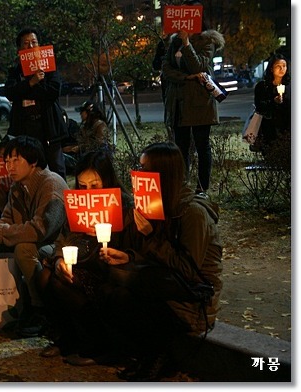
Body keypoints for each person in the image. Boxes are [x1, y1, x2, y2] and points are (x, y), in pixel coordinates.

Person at [100, 141, 222, 381]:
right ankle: (146, 356)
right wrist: (130, 256)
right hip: (164, 285)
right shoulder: (156, 202)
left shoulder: (193, 213)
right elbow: (153, 258)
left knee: (127, 285)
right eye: (139, 167)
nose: (137, 174)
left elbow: (189, 269)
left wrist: (151, 235)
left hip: (194, 299)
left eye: (144, 169)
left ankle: (158, 359)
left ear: (162, 174)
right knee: (111, 289)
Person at [37, 148, 135, 365]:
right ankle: (68, 338)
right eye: (82, 186)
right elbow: (62, 240)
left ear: (107, 180)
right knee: (45, 276)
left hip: (106, 269)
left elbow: (129, 250)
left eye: (95, 185)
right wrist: (60, 259)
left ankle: (94, 345)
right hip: (81, 262)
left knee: (60, 283)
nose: (88, 191)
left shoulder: (125, 205)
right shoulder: (77, 204)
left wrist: (104, 236)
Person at [0, 135, 69, 337]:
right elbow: (6, 218)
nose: (10, 166)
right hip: (36, 239)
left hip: (59, 243)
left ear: (33, 162)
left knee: (24, 249)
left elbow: (39, 230)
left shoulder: (51, 185)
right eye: (7, 161)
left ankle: (39, 309)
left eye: (16, 160)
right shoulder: (18, 187)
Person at [161, 3, 224, 195]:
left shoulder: (207, 41)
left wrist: (187, 44)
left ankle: (202, 187)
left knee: (202, 145)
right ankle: (183, 186)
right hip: (179, 102)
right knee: (181, 147)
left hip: (199, 103)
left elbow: (199, 67)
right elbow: (166, 69)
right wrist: (186, 77)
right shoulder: (174, 42)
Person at [5, 27, 67, 179]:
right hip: (26, 127)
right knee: (31, 169)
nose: (31, 46)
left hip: (49, 126)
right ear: (19, 48)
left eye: (34, 42)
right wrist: (30, 82)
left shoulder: (50, 68)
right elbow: (10, 93)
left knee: (56, 167)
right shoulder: (15, 71)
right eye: (26, 43)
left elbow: (53, 91)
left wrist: (28, 89)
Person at [252, 53, 291, 168]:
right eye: (278, 66)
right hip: (269, 128)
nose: (282, 69)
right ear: (271, 68)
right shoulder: (262, 87)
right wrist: (273, 101)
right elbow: (259, 106)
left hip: (287, 126)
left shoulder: (291, 86)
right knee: (272, 160)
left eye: (284, 66)